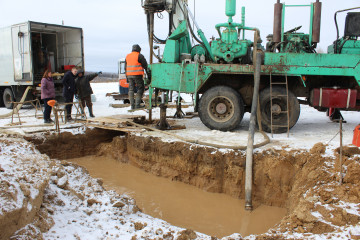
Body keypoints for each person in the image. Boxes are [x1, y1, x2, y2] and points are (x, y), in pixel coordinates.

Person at [125, 44, 150, 109]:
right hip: (137, 75)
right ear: (139, 49)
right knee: (140, 88)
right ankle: (137, 105)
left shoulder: (128, 56)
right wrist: (149, 76)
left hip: (129, 75)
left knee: (131, 89)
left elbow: (126, 67)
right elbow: (146, 66)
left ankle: (132, 106)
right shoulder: (140, 56)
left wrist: (127, 77)